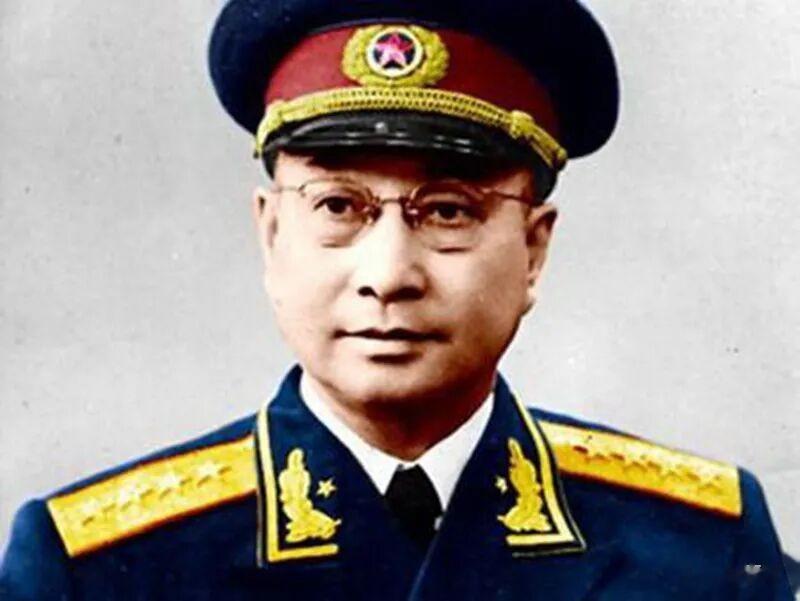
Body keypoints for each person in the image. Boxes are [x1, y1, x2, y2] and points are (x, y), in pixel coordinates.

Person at [0, 0, 794, 599]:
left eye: (447, 211)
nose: (388, 274)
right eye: (338, 206)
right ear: (272, 235)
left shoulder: (700, 550)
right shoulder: (100, 568)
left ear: (534, 250)